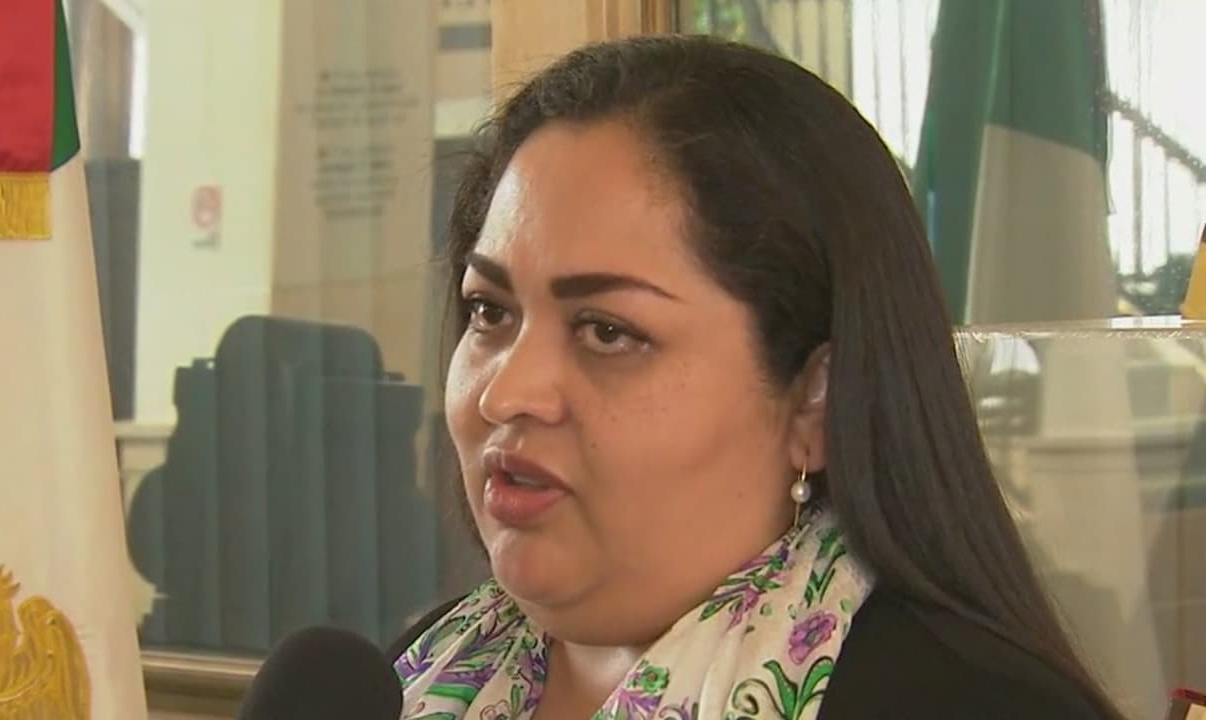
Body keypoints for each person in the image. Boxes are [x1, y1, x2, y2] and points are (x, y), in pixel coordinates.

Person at [390, 35, 1124, 719]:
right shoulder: (411, 676)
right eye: (490, 311)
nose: (507, 393)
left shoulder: (970, 704)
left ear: (815, 401)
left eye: (608, 332)